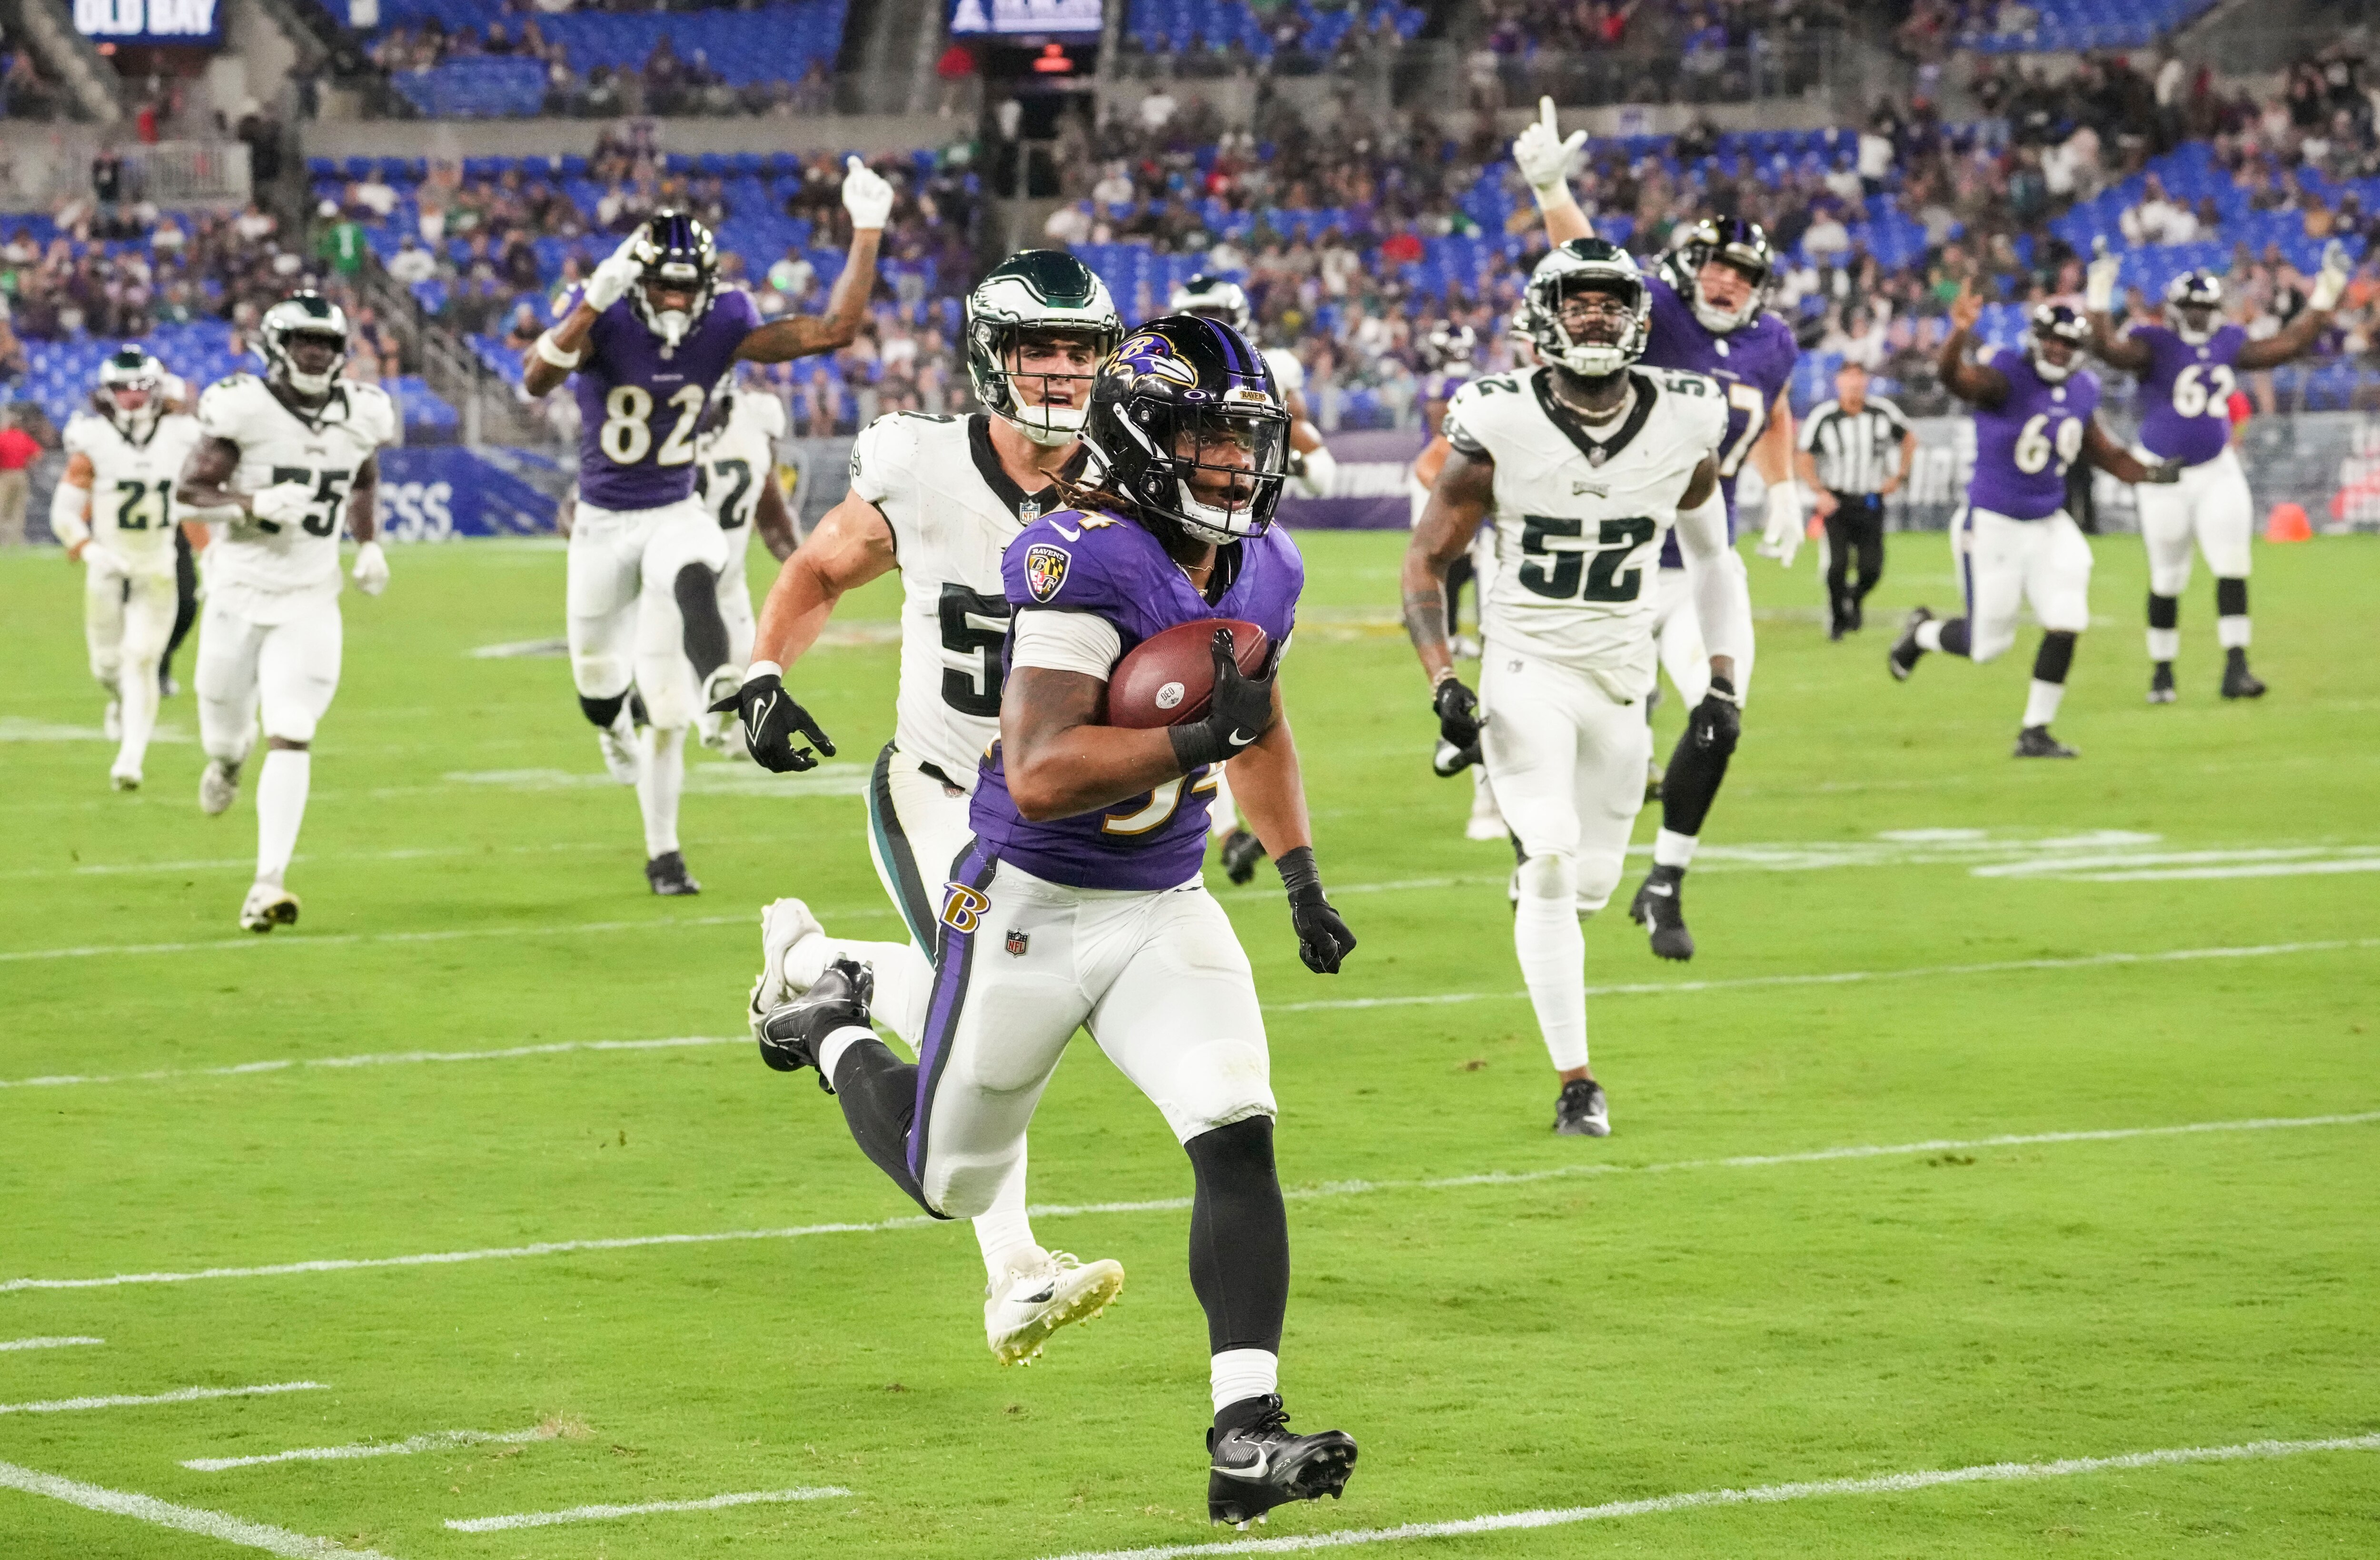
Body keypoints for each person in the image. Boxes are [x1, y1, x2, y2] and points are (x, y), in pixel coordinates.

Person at [738, 314, 1359, 1527]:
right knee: (945, 1175)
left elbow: (1263, 721)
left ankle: (1245, 1430)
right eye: (1207, 438)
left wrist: (1297, 875)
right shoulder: (1080, 554)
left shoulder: (1265, 565)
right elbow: (1040, 770)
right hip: (1025, 902)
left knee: (1234, 1122)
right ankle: (830, 1019)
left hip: (1162, 902)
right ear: (1142, 434)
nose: (1236, 465)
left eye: (1244, 440)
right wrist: (1193, 738)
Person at [722, 252, 1129, 1365]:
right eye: (1035, 350)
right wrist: (762, 674)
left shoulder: (1129, 474)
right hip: (940, 788)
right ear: (988, 359)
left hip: (1060, 806)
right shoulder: (919, 464)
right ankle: (1014, 1273)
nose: (1057, 372)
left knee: (1000, 998)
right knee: (991, 993)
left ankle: (815, 965)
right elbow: (814, 572)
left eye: (1078, 350)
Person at [1403, 240, 1749, 1139]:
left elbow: (1714, 558)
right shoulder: (1498, 417)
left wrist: (1721, 675)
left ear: (1638, 318)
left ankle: (1544, 895)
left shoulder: (1685, 420)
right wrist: (1444, 679)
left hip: (1622, 680)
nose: (1595, 316)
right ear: (1543, 315)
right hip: (1526, 670)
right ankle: (1577, 1082)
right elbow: (1427, 559)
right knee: (1552, 858)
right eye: (1577, 301)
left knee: (1590, 885)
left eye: (1610, 302)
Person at [518, 162, 887, 896]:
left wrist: (867, 232)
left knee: (700, 558)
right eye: (665, 285)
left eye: (691, 287)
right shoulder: (607, 313)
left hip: (671, 504)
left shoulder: (726, 321)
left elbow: (832, 331)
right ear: (639, 278)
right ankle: (609, 722)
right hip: (600, 519)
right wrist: (593, 298)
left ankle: (720, 678)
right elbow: (535, 378)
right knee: (597, 680)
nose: (679, 301)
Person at [1515, 99, 1800, 962]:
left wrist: (1783, 482)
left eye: (1743, 275)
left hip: (1706, 564)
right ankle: (1543, 856)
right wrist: (1552, 190)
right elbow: (1585, 260)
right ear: (1689, 265)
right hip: (1622, 565)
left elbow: (1774, 409)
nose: (1726, 282)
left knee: (1720, 716)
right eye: (1715, 266)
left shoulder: (1773, 343)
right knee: (1607, 740)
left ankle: (1667, 879)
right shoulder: (1656, 314)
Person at [175, 294, 396, 932]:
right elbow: (190, 493)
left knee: (293, 725)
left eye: (325, 343)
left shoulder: (364, 412)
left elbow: (361, 478)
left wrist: (370, 544)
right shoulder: (243, 406)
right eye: (304, 341)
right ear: (277, 346)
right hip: (238, 590)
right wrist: (252, 503)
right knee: (223, 731)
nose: (315, 353)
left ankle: (268, 881)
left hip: (310, 595)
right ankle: (227, 762)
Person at [1889, 288, 2178, 756]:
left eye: (2068, 343)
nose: (2058, 349)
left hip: (2047, 521)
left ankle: (2034, 731)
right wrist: (1958, 330)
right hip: (1992, 523)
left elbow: (2102, 452)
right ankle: (1921, 633)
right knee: (1986, 646)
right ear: (2036, 339)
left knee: (2067, 617)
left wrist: (2151, 473)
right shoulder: (2006, 374)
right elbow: (1953, 378)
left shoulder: (2082, 390)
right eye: (2051, 339)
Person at [2082, 239, 2353, 702]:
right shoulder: (2153, 345)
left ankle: (2236, 667)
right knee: (2167, 575)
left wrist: (2326, 291)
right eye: (2188, 306)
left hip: (2216, 469)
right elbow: (2105, 347)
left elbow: (2287, 344)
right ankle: (2162, 674)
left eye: (2202, 306)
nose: (2194, 315)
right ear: (2172, 310)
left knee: (2232, 565)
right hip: (2161, 474)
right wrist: (2098, 288)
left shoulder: (2227, 343)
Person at [1167, 274, 1337, 885]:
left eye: (1219, 315)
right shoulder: (1154, 374)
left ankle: (1236, 827)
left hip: (1248, 556)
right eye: (1199, 316)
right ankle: (1222, 826)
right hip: (1171, 552)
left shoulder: (1268, 374)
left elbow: (1322, 472)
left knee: (1243, 700)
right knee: (1180, 693)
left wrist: (1261, 457)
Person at [50, 347, 206, 789]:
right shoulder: (93, 438)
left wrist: (211, 556)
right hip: (108, 563)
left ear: (157, 390)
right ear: (107, 392)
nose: (132, 398)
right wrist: (86, 546)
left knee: (142, 658)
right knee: (107, 667)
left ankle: (131, 760)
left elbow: (198, 503)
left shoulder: (183, 435)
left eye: (140, 388)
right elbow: (64, 511)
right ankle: (120, 703)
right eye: (123, 389)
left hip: (158, 563)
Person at [687, 375, 798, 757]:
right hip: (669, 590)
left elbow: (771, 514)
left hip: (729, 590)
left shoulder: (755, 416)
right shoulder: (661, 418)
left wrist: (809, 570)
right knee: (665, 712)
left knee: (744, 744)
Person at [1796, 361, 1914, 640]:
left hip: (1872, 499)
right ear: (1838, 384)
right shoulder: (1824, 416)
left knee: (1872, 568)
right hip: (1837, 500)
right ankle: (1838, 620)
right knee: (1837, 565)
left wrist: (1899, 475)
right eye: (1849, 382)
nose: (1854, 388)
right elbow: (1803, 456)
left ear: (1866, 384)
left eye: (1859, 382)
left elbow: (1909, 439)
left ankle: (1855, 598)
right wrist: (1819, 491)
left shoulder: (1883, 413)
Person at [0, 404, 38, 547]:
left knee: (3, 508)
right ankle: (16, 539)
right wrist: (27, 464)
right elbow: (38, 454)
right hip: (21, 474)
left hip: (5, 475)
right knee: (18, 509)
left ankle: (3, 540)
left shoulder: (3, 437)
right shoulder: (23, 437)